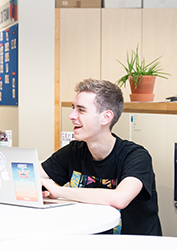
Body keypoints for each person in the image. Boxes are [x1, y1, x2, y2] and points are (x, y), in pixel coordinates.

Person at [40, 79, 162, 235]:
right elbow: (29, 177)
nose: (71, 116)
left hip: (134, 245)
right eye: (73, 108)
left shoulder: (136, 156)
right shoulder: (74, 151)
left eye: (81, 110)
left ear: (106, 117)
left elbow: (120, 199)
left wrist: (60, 191)